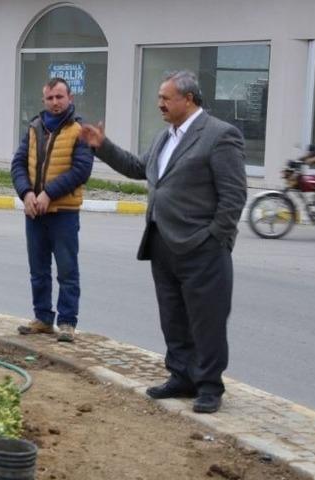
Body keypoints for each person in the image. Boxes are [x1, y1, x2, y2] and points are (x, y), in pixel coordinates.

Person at [79, 71, 247, 413]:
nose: (160, 104)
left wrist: (216, 237)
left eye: (166, 98)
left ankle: (209, 386)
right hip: (163, 242)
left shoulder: (218, 135)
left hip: (202, 247)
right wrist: (102, 147)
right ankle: (181, 376)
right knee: (173, 316)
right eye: (159, 97)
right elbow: (139, 168)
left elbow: (233, 195)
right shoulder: (164, 137)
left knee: (207, 319)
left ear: (188, 99)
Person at [10, 77, 93, 343]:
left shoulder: (79, 130)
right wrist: (27, 193)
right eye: (50, 98)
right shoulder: (34, 128)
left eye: (60, 97)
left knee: (67, 270)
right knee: (38, 269)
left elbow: (81, 170)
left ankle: (67, 322)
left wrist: (49, 194)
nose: (55, 103)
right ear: (44, 100)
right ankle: (43, 318)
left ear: (70, 98)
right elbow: (18, 164)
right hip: (35, 212)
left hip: (64, 214)